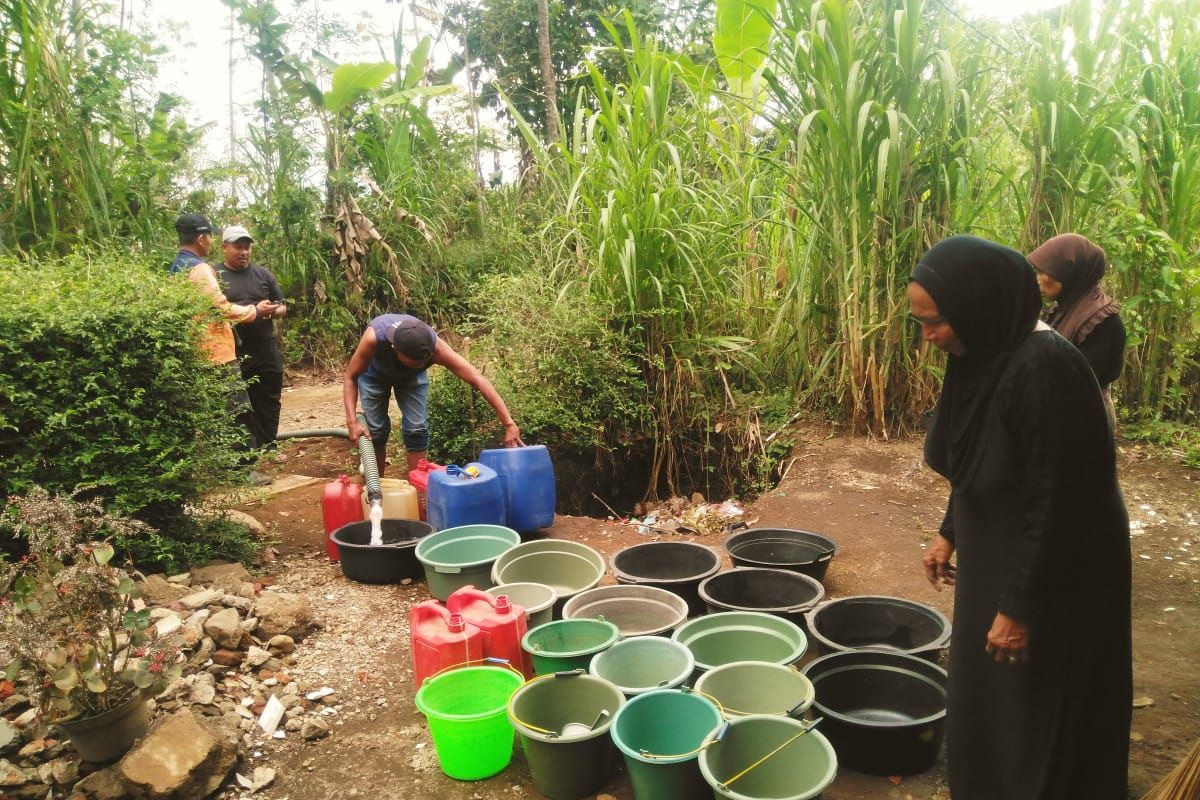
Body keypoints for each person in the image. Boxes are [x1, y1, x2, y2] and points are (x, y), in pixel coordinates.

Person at [909, 235, 1131, 799]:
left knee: (1035, 700)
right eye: (920, 322)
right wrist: (949, 532)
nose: (927, 336)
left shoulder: (1043, 368)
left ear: (975, 306)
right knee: (990, 693)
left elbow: (1057, 499)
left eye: (934, 321)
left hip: (1051, 569)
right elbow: (977, 457)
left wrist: (1021, 605)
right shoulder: (981, 354)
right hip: (999, 556)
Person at [344, 314, 524, 475]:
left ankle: (420, 489)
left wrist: (509, 423)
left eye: (424, 361)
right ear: (395, 349)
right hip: (374, 375)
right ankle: (376, 490)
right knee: (376, 432)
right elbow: (351, 377)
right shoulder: (374, 339)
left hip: (411, 379)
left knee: (417, 430)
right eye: (415, 362)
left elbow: (478, 379)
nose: (422, 364)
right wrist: (352, 422)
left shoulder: (436, 349)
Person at [173, 213, 278, 483]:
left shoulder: (176, 266)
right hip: (215, 351)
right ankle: (242, 471)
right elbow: (219, 307)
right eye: (209, 237)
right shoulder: (201, 269)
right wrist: (254, 311)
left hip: (196, 350)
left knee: (218, 413)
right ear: (202, 239)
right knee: (237, 411)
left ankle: (222, 467)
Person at [1027, 233, 1126, 430]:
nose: (1037, 280)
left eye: (1044, 272)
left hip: (1084, 418)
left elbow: (1080, 381)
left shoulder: (1101, 321)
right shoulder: (1064, 310)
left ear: (1069, 272)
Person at [216, 225, 288, 446]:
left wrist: (271, 311)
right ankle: (244, 450)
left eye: (247, 247)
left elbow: (283, 306)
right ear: (224, 248)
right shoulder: (215, 275)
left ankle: (267, 444)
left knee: (269, 398)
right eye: (238, 247)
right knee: (238, 403)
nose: (243, 252)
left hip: (266, 348)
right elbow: (214, 310)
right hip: (234, 352)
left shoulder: (263, 274)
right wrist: (250, 311)